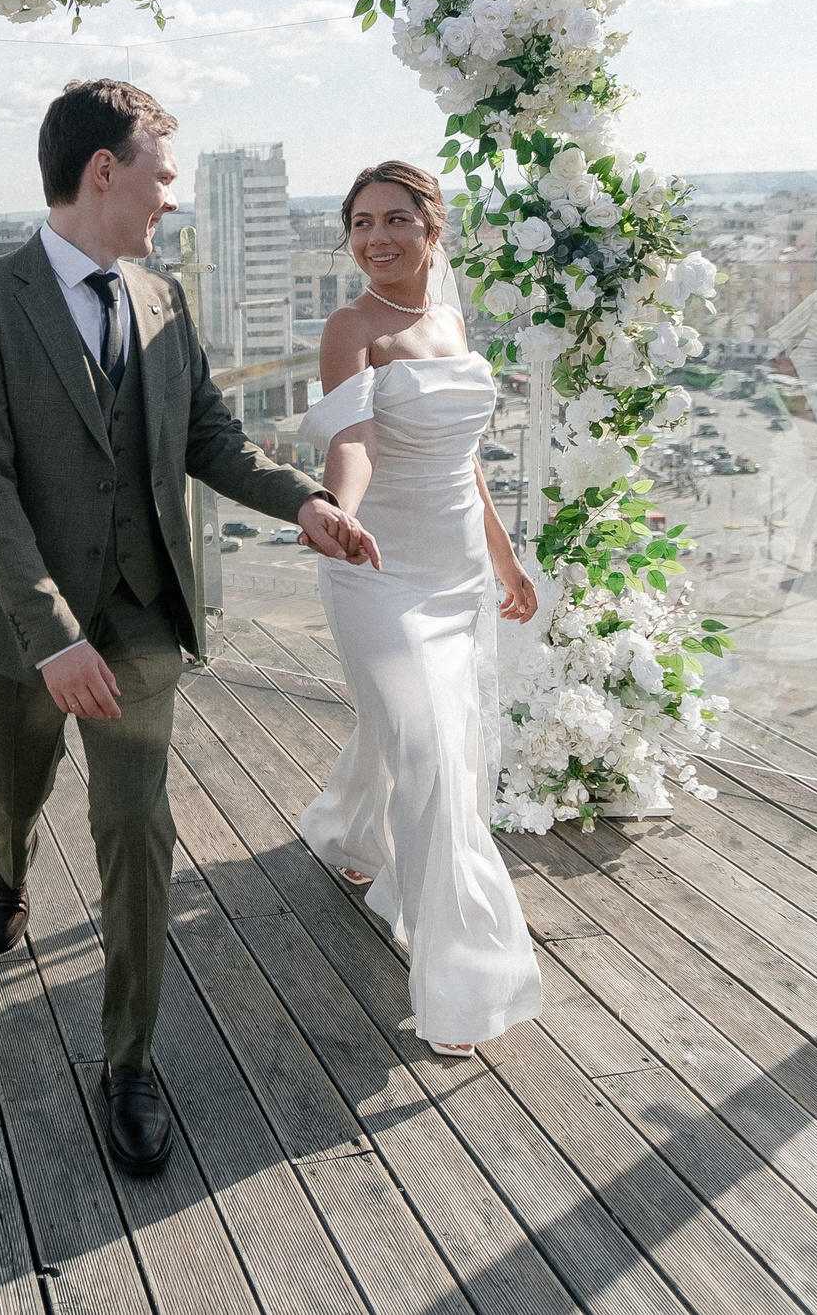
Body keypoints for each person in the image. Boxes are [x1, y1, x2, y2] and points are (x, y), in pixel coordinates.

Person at [0, 79, 379, 1177]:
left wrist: (305, 504)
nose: (168, 200)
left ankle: (127, 1059)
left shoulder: (165, 299)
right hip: (23, 624)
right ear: (103, 173)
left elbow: (212, 440)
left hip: (138, 618)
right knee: (12, 786)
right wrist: (48, 636)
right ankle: (6, 861)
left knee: (138, 828)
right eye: (162, 176)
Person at [297, 160, 545, 1059]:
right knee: (432, 749)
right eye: (361, 222)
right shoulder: (349, 328)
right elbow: (353, 441)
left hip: (455, 572)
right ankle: (465, 982)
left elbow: (464, 459)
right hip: (376, 570)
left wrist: (504, 557)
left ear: (432, 228)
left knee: (424, 730)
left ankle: (350, 826)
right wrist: (343, 513)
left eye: (396, 219)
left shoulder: (448, 318)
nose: (377, 238)